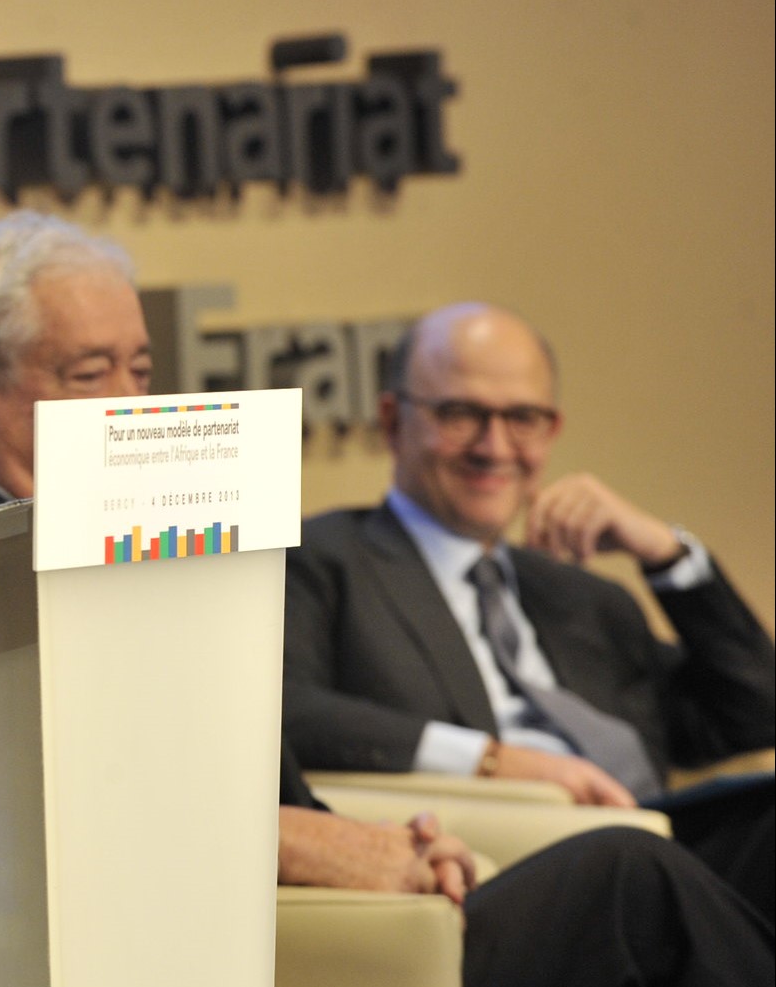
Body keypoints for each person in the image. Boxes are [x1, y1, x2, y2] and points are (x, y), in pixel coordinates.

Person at [0, 211, 774, 984]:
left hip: (316, 916)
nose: (125, 405)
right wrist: (298, 842)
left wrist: (395, 843)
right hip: (207, 945)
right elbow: (16, 818)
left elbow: (257, 764)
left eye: (138, 371)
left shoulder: (132, 540)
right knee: (630, 877)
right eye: (87, 373)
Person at [283, 302, 774, 918]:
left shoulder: (581, 595)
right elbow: (285, 710)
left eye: (523, 418)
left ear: (552, 430)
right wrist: (491, 760)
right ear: (392, 420)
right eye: (461, 414)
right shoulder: (323, 561)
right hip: (512, 870)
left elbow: (753, 713)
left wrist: (667, 555)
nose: (494, 447)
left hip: (657, 851)